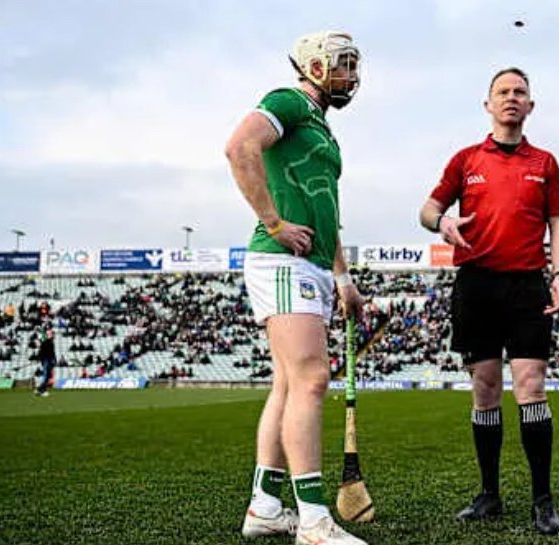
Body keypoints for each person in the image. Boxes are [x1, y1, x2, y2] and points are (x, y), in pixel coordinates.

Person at [225, 30, 367, 545]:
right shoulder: (288, 101)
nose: (353, 75)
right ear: (315, 66)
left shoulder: (322, 128)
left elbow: (326, 208)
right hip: (284, 261)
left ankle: (264, 508)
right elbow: (239, 147)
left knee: (288, 384)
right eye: (343, 64)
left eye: (354, 65)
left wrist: (343, 278)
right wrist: (275, 223)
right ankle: (313, 520)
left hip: (313, 268)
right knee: (311, 380)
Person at [418, 67, 559, 536]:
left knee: (531, 386)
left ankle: (543, 500)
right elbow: (428, 209)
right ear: (488, 104)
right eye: (502, 92)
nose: (511, 98)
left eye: (519, 92)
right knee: (485, 389)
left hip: (527, 285)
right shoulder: (466, 160)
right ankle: (489, 494)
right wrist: (442, 222)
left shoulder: (545, 162)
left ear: (530, 105)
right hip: (476, 285)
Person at [34, 328, 56, 397]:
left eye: (52, 334)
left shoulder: (50, 342)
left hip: (49, 360)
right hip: (46, 360)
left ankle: (39, 389)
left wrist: (54, 360)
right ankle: (42, 391)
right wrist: (39, 358)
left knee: (47, 376)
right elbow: (42, 351)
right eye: (51, 334)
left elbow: (52, 353)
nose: (53, 335)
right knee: (46, 376)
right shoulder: (46, 342)